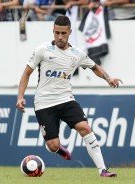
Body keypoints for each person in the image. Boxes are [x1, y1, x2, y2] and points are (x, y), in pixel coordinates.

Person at [16, 15, 122, 177]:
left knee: (85, 128)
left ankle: (103, 170)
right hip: (44, 103)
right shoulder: (42, 50)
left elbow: (95, 67)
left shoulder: (77, 53)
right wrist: (20, 97)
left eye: (63, 33)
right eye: (57, 33)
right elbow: (26, 73)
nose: (60, 37)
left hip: (66, 100)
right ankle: (57, 148)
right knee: (52, 145)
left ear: (70, 32)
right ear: (53, 31)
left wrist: (109, 78)